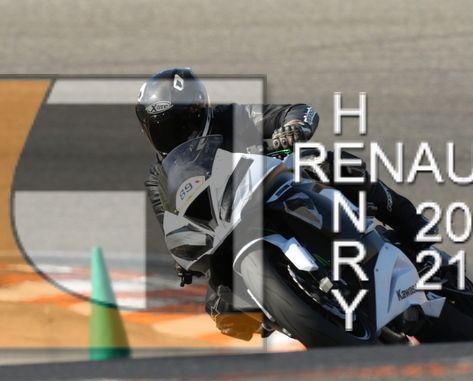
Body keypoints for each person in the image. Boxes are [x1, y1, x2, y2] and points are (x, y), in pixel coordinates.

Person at [136, 68, 432, 341]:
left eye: (180, 124)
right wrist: (182, 258)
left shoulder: (229, 118)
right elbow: (170, 222)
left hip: (272, 186)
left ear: (199, 111)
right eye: (159, 129)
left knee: (325, 163)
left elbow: (297, 111)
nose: (172, 135)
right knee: (224, 313)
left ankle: (411, 225)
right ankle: (299, 311)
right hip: (225, 230)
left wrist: (293, 126)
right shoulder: (158, 176)